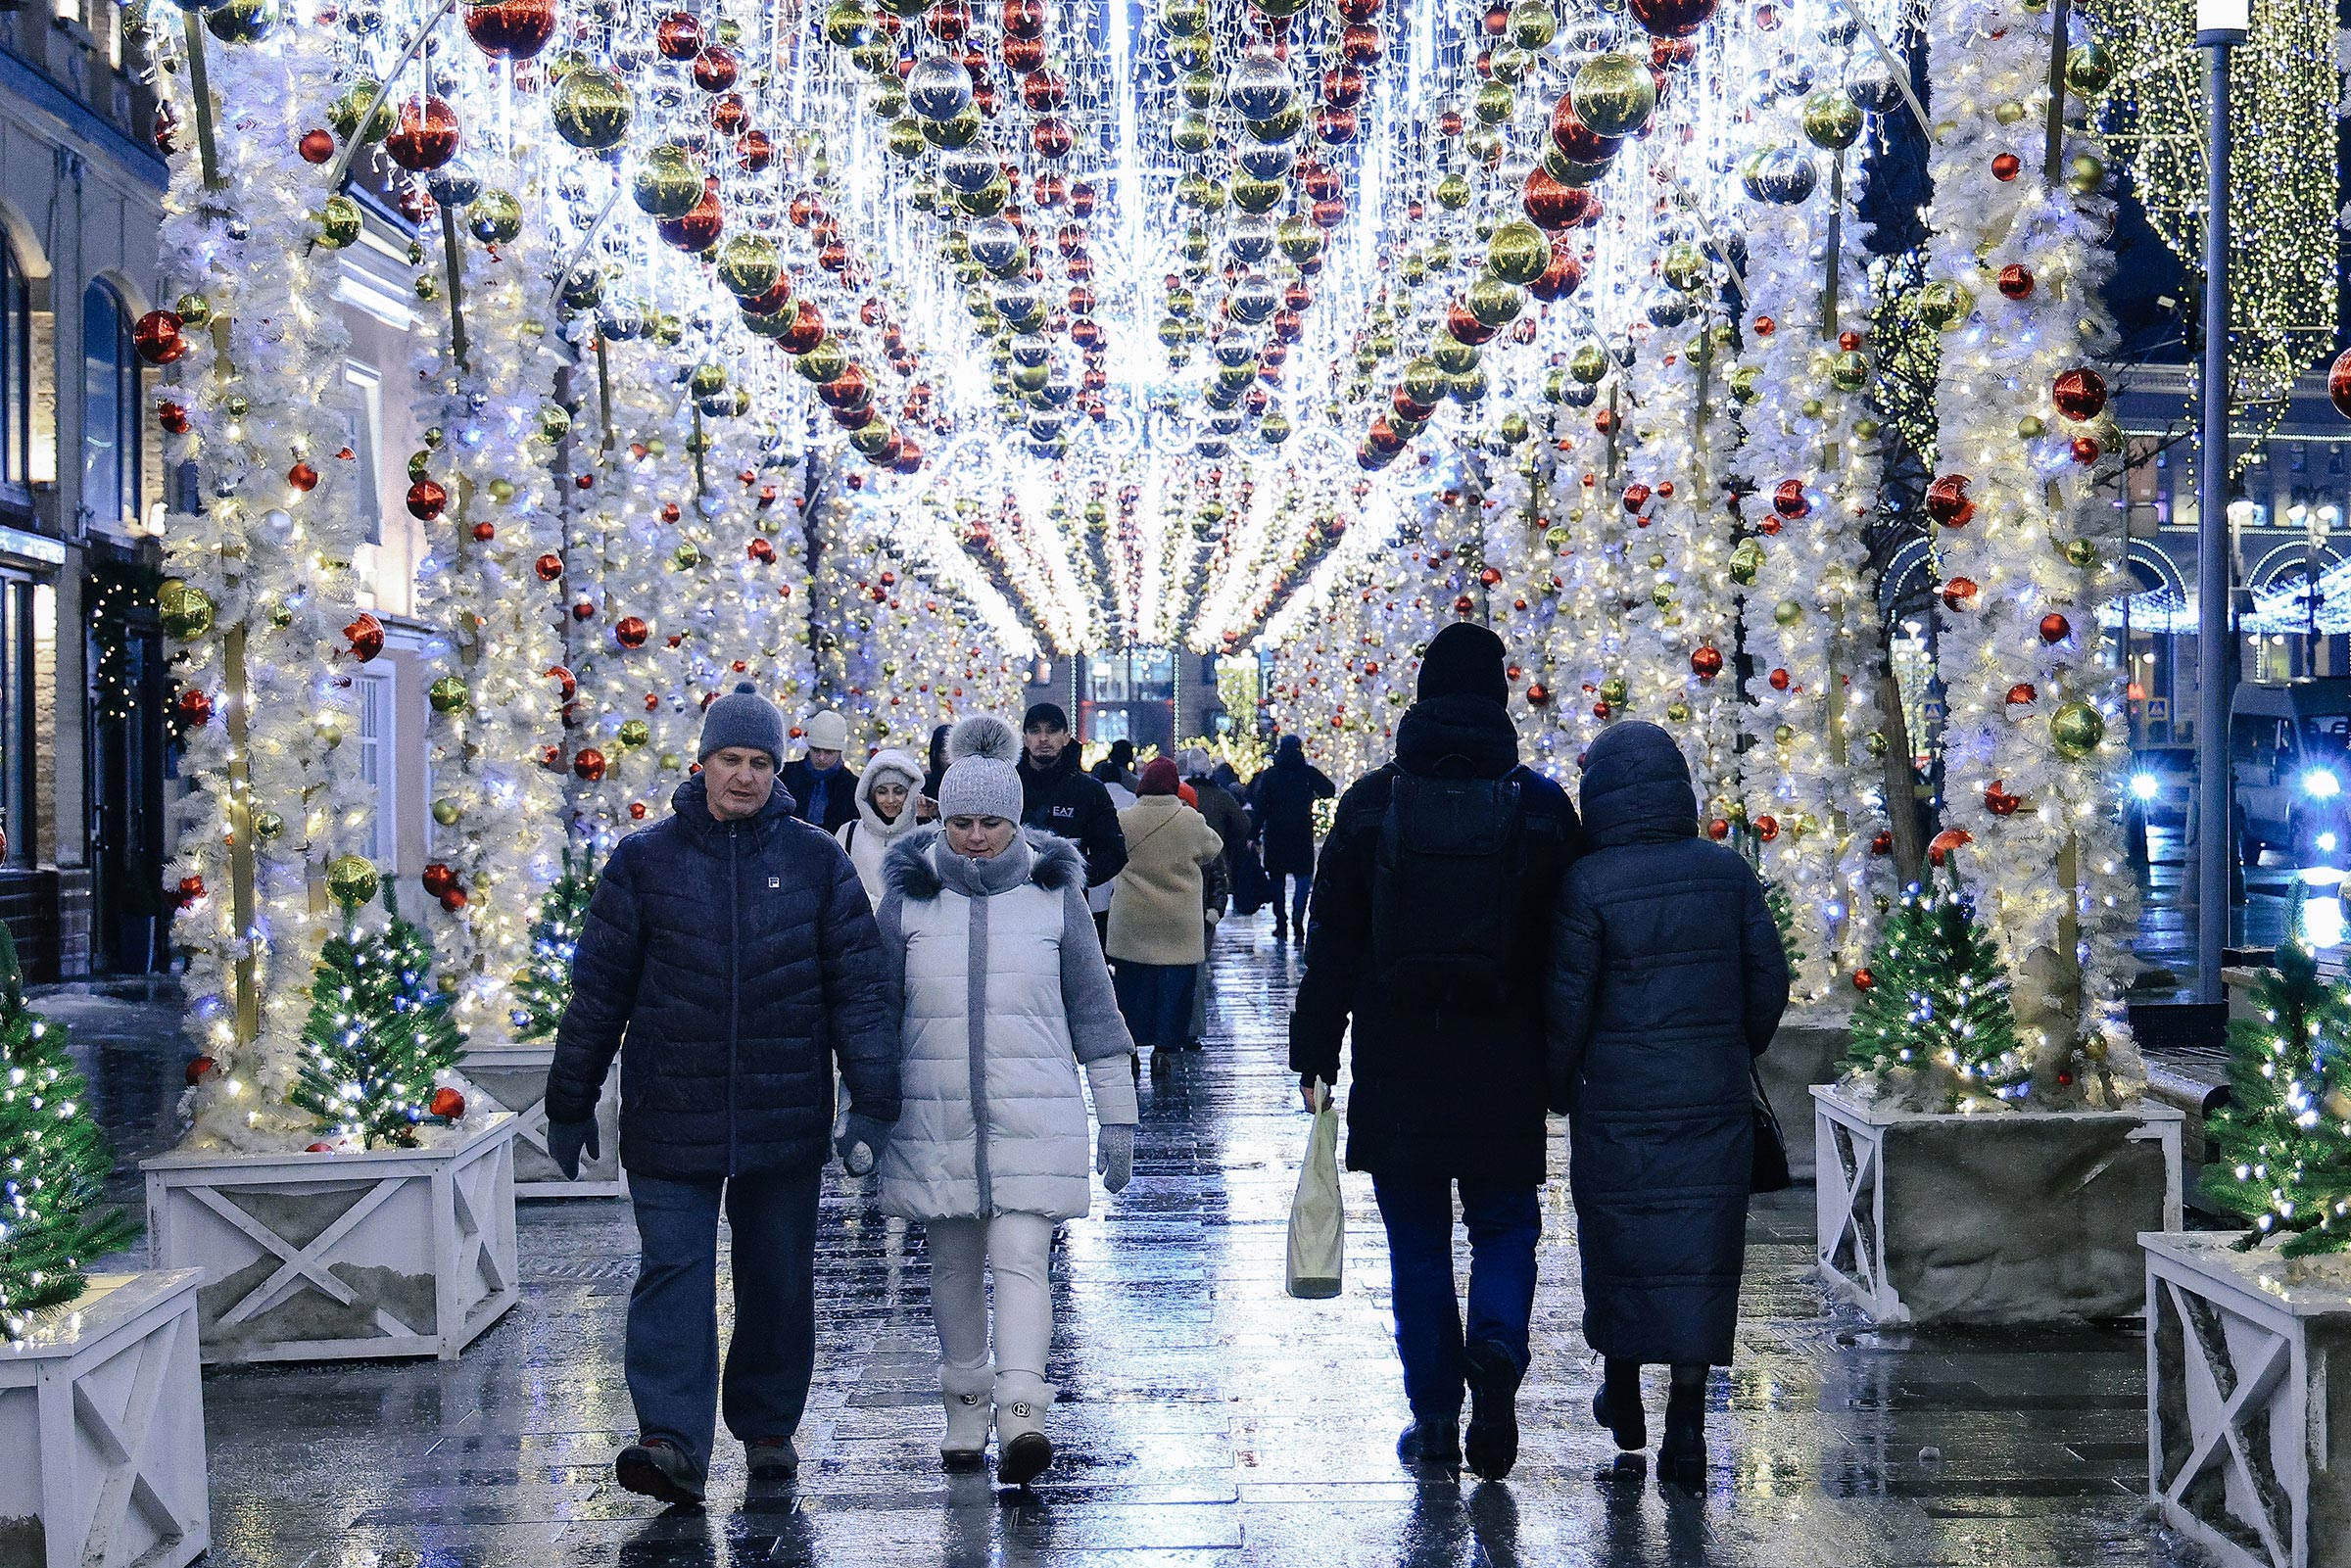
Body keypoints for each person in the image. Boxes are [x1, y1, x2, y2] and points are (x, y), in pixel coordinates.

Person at [544, 682, 899, 1507]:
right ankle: (670, 1437)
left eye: (759, 762)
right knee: (673, 1268)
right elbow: (598, 990)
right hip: (672, 1111)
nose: (743, 775)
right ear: (701, 762)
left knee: (777, 1275)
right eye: (730, 759)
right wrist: (571, 1097)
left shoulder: (817, 860)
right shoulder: (646, 861)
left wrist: (872, 1101)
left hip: (783, 1116)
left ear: (777, 769)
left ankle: (768, 1426)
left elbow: (859, 990)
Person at [1288, 623, 1581, 1482]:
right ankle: (1495, 1347)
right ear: (1497, 693)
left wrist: (1316, 1053)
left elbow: (1331, 940)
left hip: (1399, 1055)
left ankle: (1436, 1419)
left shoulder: (1374, 801)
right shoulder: (1539, 804)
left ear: (1419, 692)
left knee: (1416, 1244)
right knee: (1503, 1225)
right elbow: (1569, 942)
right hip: (1503, 1054)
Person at [872, 715, 1138, 1486]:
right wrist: (861, 1108)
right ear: (939, 817)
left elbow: (1095, 1010)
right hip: (935, 1113)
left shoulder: (1055, 895)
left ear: (1016, 820)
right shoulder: (910, 900)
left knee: (1023, 1254)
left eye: (992, 821)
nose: (977, 836)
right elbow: (876, 1011)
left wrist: (1116, 1112)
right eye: (961, 821)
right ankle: (964, 1403)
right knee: (952, 1265)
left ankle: (1023, 1410)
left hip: (1036, 1112)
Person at [1546, 720, 1788, 1490]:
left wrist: (1558, 1083)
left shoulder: (1587, 883)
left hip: (1616, 1101)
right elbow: (1768, 982)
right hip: (1709, 1097)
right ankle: (1688, 1423)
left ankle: (1622, 1392)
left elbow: (1567, 1004)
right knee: (1700, 1255)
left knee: (1621, 1243)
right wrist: (1732, 1042)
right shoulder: (1726, 873)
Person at [1108, 758, 1227, 1075]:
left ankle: (1131, 1049)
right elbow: (1214, 847)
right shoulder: (1190, 820)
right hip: (1178, 922)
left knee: (1132, 990)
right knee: (1175, 991)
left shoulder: (1124, 819)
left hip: (1132, 920)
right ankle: (1164, 1051)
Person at [1016, 702, 1128, 894]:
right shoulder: (1008, 786)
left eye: (1052, 730)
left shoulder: (1089, 790)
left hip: (1068, 905)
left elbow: (1114, 852)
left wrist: (1070, 876)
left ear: (1066, 737)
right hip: (1012, 900)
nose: (1043, 738)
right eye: (1035, 731)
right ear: (1025, 739)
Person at [1250, 734, 1336, 941]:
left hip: (1276, 835)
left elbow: (1260, 807)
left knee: (1277, 880)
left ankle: (1281, 922)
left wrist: (1253, 834)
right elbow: (1329, 790)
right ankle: (1298, 917)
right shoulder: (1307, 773)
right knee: (1303, 879)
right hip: (1301, 833)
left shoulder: (1271, 776)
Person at [837, 747, 925, 905]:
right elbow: (836, 884)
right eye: (882, 792)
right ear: (871, 794)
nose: (890, 800)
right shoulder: (849, 833)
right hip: (859, 924)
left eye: (898, 791)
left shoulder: (922, 837)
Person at [781, 709, 859, 834]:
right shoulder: (786, 775)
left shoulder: (852, 787)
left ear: (839, 751)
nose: (821, 757)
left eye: (829, 752)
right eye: (816, 750)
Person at [922, 723, 953, 814]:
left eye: (951, 751)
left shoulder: (969, 782)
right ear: (936, 754)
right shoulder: (926, 784)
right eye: (944, 752)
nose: (949, 757)